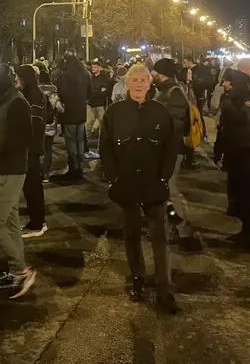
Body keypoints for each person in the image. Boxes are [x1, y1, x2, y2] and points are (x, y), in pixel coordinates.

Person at [99, 63, 180, 313]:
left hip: (154, 184)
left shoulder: (160, 112)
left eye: (143, 81)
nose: (139, 85)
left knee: (160, 237)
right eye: (134, 81)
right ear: (127, 84)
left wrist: (165, 177)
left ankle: (164, 287)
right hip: (127, 184)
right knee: (132, 235)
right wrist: (113, 177)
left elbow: (170, 147)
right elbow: (106, 149)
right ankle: (138, 278)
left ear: (149, 84)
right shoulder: (115, 112)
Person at [0, 65, 37, 299]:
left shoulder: (15, 102)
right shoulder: (7, 100)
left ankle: (22, 270)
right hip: (3, 170)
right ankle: (16, 270)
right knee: (11, 225)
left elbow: (25, 137)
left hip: (8, 171)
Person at [151, 59, 202, 252]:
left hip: (172, 150)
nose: (152, 75)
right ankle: (173, 224)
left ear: (161, 73)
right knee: (166, 189)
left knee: (171, 189)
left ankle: (184, 230)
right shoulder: (167, 90)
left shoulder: (173, 93)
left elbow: (174, 127)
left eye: (154, 72)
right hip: (167, 149)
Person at [221, 69, 250, 251]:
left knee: (249, 196)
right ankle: (244, 231)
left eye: (226, 81)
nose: (223, 84)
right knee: (238, 193)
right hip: (236, 150)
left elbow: (246, 118)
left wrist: (228, 106)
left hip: (249, 151)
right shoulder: (231, 97)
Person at [16, 65, 48, 238]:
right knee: (32, 186)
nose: (16, 80)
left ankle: (37, 223)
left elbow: (33, 123)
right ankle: (37, 221)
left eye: (18, 77)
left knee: (32, 186)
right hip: (32, 146)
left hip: (31, 147)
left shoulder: (33, 96)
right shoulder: (33, 93)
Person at [56, 55, 92, 181]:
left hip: (69, 112)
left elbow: (61, 93)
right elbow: (90, 93)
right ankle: (80, 168)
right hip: (81, 111)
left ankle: (73, 168)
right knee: (80, 140)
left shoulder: (65, 76)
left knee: (71, 141)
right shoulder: (86, 74)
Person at [85, 59, 110, 158]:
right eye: (92, 67)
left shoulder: (104, 78)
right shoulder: (90, 78)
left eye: (95, 67)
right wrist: (98, 92)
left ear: (99, 68)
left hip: (100, 105)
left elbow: (105, 92)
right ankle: (85, 148)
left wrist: (96, 93)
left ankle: (100, 148)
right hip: (91, 105)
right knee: (88, 126)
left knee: (102, 127)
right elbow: (90, 91)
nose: (93, 69)